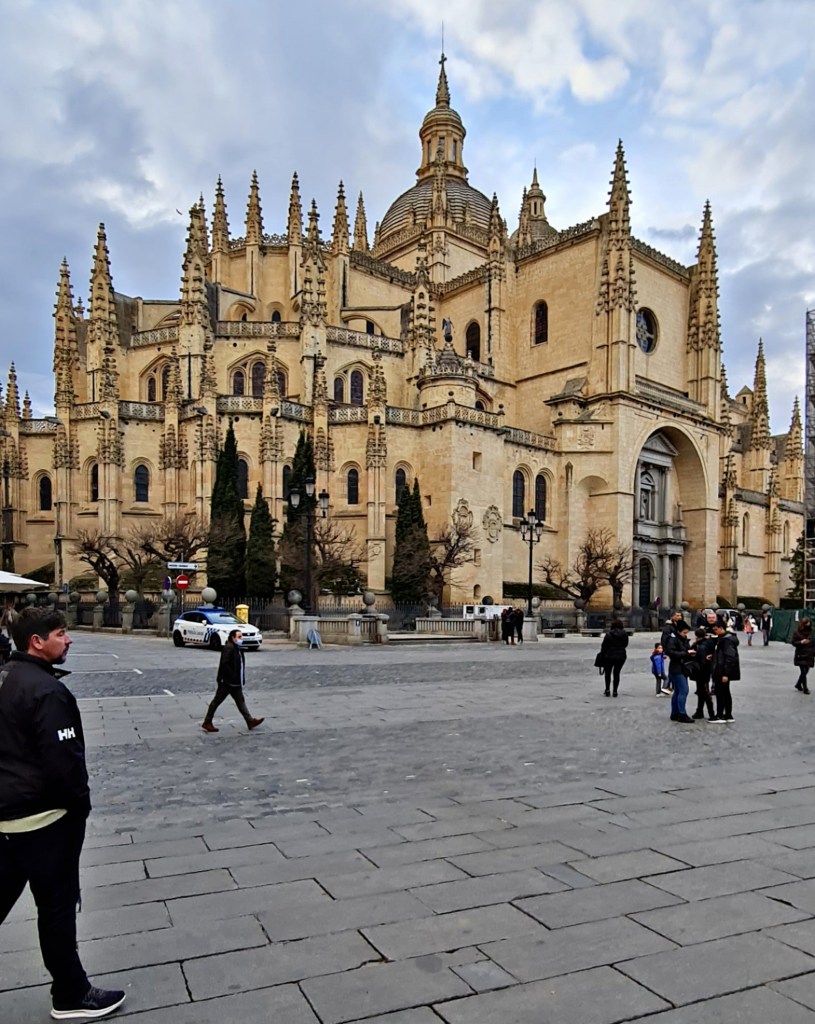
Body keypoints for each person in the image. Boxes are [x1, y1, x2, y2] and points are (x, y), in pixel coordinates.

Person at [0, 607, 126, 1020]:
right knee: (56, 907)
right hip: (44, 820)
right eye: (60, 633)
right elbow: (63, 762)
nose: (68, 639)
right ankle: (71, 993)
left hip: (9, 816)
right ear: (36, 642)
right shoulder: (47, 691)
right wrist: (79, 805)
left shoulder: (7, 677)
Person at [202, 629, 264, 732]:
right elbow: (224, 663)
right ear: (233, 638)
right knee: (217, 701)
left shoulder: (237, 648)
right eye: (239, 637)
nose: (241, 639)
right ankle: (207, 722)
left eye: (241, 636)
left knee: (240, 701)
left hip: (235, 682)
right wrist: (231, 675)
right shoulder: (229, 648)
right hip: (227, 682)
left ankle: (249, 721)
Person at [664, 621, 696, 722]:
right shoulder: (673, 639)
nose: (686, 635)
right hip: (677, 668)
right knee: (683, 691)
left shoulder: (682, 639)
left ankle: (675, 713)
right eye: (684, 632)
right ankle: (682, 714)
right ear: (678, 631)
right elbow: (670, 652)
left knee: (677, 691)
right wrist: (686, 652)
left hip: (680, 668)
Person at [710, 617, 740, 721]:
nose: (715, 632)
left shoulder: (726, 640)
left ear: (721, 628)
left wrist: (726, 673)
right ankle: (727, 714)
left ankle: (720, 715)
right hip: (721, 669)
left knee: (721, 693)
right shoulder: (724, 638)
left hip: (722, 670)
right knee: (725, 692)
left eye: (716, 629)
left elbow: (729, 657)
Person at [691, 626, 716, 720]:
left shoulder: (701, 646)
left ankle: (711, 713)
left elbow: (700, 659)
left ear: (697, 636)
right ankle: (699, 711)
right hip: (705, 671)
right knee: (701, 692)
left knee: (705, 692)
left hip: (702, 671)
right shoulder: (708, 643)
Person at [600, 619, 628, 697]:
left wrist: (603, 655)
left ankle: (607, 690)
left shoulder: (608, 634)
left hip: (609, 656)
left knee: (608, 673)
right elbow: (626, 644)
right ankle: (615, 691)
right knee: (617, 673)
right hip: (621, 656)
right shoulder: (624, 634)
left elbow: (604, 646)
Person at [792, 617, 814, 695]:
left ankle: (798, 684)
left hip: (809, 654)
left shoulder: (811, 632)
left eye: (809, 623)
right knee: (803, 671)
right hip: (801, 654)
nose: (808, 624)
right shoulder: (797, 633)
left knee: (806, 670)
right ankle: (805, 688)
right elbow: (793, 642)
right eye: (807, 623)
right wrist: (801, 642)